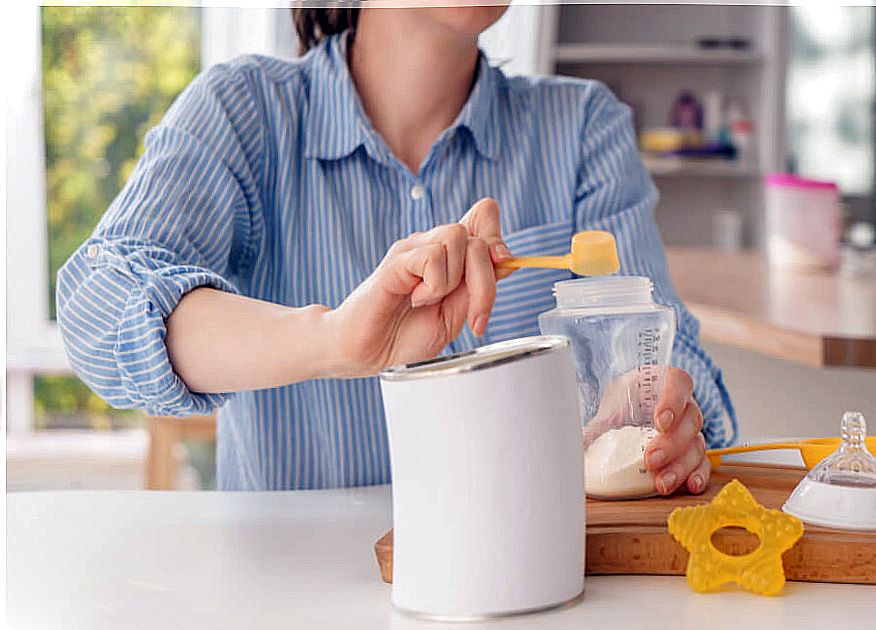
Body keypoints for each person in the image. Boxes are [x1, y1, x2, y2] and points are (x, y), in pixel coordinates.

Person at [56, 6, 737, 493]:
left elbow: (685, 371)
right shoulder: (244, 114)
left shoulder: (585, 128)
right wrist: (331, 340)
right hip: (293, 624)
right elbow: (97, 307)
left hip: (537, 610)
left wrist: (661, 407)